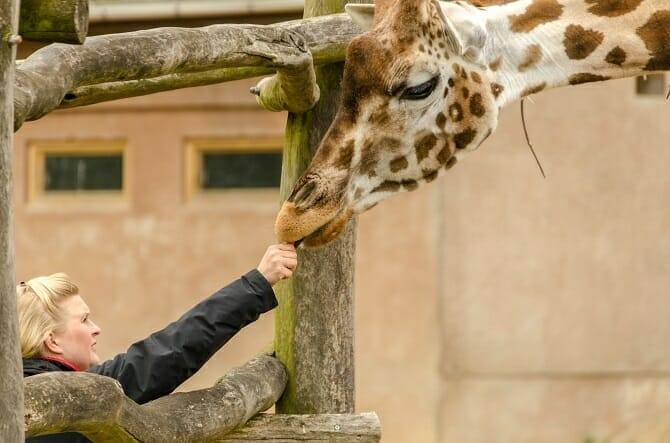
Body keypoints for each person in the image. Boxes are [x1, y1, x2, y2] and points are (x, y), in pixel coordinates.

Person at [19, 243, 297, 443]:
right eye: (84, 320)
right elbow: (172, 351)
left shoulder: (14, 395)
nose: (96, 329)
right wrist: (256, 284)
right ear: (52, 340)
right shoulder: (79, 397)